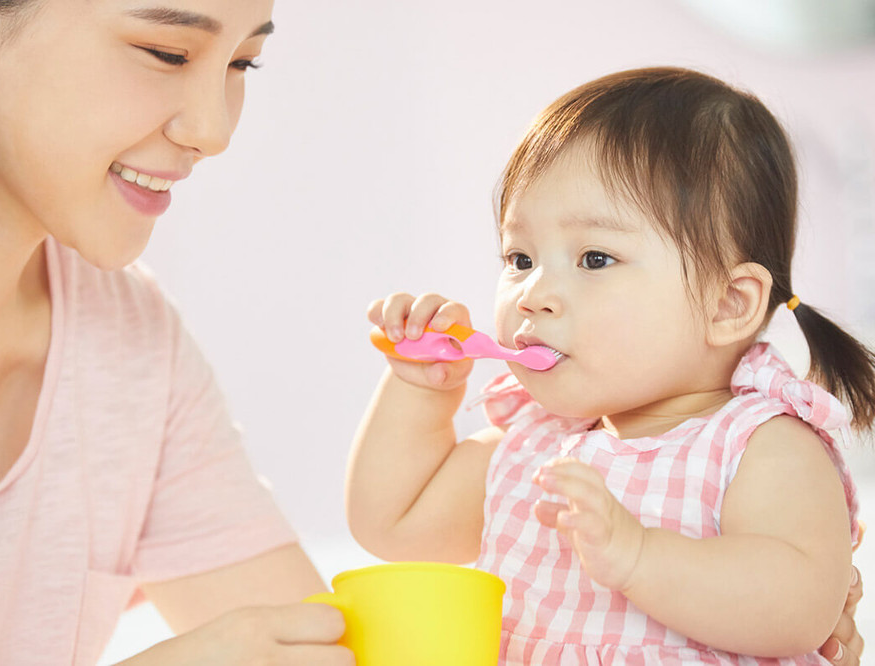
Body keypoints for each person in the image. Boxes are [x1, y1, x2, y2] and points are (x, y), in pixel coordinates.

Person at [0, 0, 356, 664]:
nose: (212, 131)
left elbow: (314, 645)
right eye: (167, 53)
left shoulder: (130, 341)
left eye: (242, 62)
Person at [348, 67, 873, 664]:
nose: (532, 292)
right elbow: (393, 523)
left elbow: (799, 611)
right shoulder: (533, 444)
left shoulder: (759, 445)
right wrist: (419, 391)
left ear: (728, 304)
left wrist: (639, 556)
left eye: (594, 258)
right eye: (520, 256)